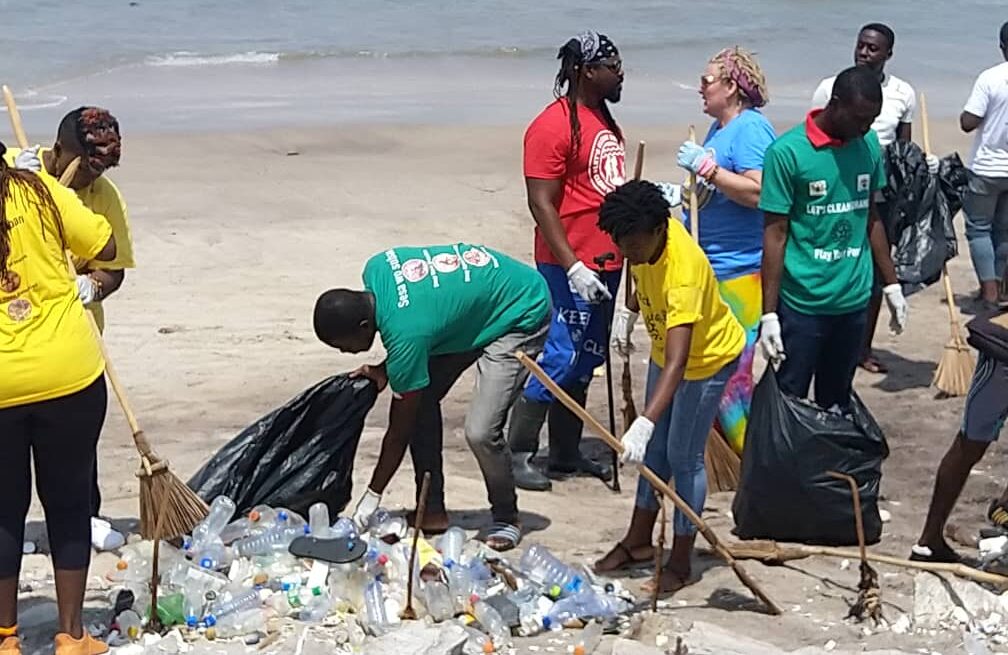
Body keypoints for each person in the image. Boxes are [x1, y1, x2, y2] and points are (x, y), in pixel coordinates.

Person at [313, 243, 551, 551]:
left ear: (363, 325)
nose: (344, 352)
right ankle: (433, 510)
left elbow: (397, 432)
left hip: (521, 311)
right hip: (479, 304)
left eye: (343, 345)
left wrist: (372, 496)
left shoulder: (407, 333)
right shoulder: (377, 267)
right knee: (421, 398)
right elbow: (429, 316)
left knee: (480, 432)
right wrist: (388, 369)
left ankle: (506, 515)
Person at [614, 46, 773, 454]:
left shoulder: (751, 129)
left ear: (732, 87)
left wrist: (710, 170)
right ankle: (719, 457)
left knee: (732, 381)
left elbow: (759, 192)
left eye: (706, 82)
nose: (699, 89)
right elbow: (712, 198)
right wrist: (683, 195)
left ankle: (752, 465)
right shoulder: (719, 130)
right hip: (710, 268)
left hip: (738, 272)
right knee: (705, 376)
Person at [592, 180, 745, 592]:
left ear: (660, 231)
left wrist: (644, 421)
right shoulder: (641, 234)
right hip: (667, 352)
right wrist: (629, 311)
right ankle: (638, 540)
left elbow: (680, 362)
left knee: (683, 455)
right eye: (621, 244)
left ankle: (680, 560)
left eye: (634, 245)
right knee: (653, 454)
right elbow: (637, 267)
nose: (628, 253)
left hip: (706, 360)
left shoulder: (684, 273)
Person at [0, 140, 117, 655]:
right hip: (67, 373)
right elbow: (106, 246)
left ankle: (6, 637)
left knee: (3, 510)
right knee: (67, 503)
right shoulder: (40, 190)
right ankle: (72, 634)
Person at [7, 107, 133, 552]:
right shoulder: (14, 168)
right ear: (60, 151)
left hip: (73, 338)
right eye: (83, 168)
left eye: (99, 172)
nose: (88, 182)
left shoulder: (104, 196)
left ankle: (86, 515)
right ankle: (12, 531)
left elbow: (113, 266)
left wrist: (93, 286)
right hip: (14, 340)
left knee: (74, 449)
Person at [507, 31, 627, 493]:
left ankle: (565, 452)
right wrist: (573, 266)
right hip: (568, 262)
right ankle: (517, 452)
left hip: (608, 257)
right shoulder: (552, 126)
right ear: (586, 71)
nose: (619, 74)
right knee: (560, 355)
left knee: (588, 356)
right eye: (611, 66)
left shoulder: (602, 117)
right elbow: (541, 203)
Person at [758, 65, 908, 411]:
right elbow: (775, 235)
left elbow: (871, 216)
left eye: (872, 119)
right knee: (789, 399)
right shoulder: (787, 153)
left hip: (853, 300)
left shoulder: (867, 144)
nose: (866, 128)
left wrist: (892, 285)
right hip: (803, 304)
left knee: (837, 399)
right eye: (859, 119)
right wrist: (769, 314)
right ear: (835, 104)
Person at [812, 23, 934, 374]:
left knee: (878, 268)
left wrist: (922, 167)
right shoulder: (830, 87)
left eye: (873, 49)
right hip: (837, 183)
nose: (865, 53)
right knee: (834, 254)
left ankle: (862, 348)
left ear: (888, 55)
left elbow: (904, 150)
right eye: (861, 46)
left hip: (883, 190)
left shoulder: (902, 93)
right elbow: (816, 131)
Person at [912, 352, 1008, 563]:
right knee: (970, 444)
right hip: (1002, 354)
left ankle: (1003, 511)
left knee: (970, 443)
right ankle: (929, 541)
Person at [960, 21, 1008, 310]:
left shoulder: (991, 78)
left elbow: (969, 122)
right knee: (1004, 231)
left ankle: (990, 294)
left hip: (987, 168)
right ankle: (1001, 290)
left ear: (1002, 47)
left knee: (979, 229)